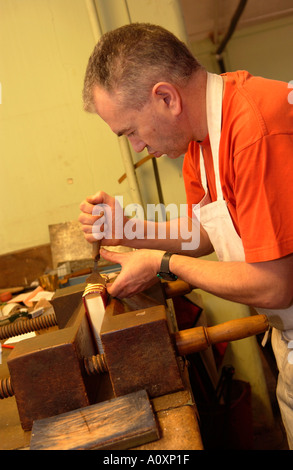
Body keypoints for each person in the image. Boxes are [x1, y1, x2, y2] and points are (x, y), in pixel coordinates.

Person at [79, 23, 293, 447]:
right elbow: (208, 232)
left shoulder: (252, 129)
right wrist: (130, 231)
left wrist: (163, 264)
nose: (136, 147)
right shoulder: (200, 137)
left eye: (131, 131)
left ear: (165, 97)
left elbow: (275, 285)